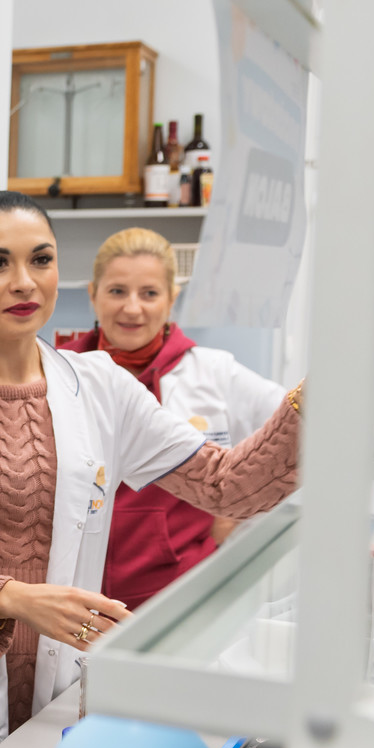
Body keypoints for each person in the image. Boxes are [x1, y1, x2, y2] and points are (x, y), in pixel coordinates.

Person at [0, 190, 308, 748]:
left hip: (63, 690)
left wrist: (319, 393)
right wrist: (16, 599)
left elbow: (228, 486)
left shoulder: (102, 386)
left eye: (41, 260)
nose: (24, 282)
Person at [57, 227, 287, 609]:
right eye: (117, 291)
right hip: (74, 599)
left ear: (171, 299)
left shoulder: (213, 373)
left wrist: (239, 514)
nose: (133, 308)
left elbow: (296, 433)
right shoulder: (59, 372)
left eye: (149, 293)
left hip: (182, 599)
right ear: (93, 295)